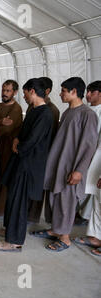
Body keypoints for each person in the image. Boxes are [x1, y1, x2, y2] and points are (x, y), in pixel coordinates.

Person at [30, 77, 98, 252]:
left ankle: (65, 237)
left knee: (66, 202)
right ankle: (55, 230)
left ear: (74, 92)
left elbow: (89, 146)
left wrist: (79, 171)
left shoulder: (87, 115)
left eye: (63, 91)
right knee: (54, 199)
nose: (60, 94)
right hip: (57, 164)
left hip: (71, 167)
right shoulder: (68, 112)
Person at [0, 78, 54, 252]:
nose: (24, 97)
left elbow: (33, 140)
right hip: (20, 161)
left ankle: (15, 240)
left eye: (25, 93)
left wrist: (17, 146)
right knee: (13, 198)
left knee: (19, 202)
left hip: (28, 165)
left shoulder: (45, 113)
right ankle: (9, 230)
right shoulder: (34, 110)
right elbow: (23, 132)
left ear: (32, 91)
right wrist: (17, 140)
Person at [27, 77, 60, 224]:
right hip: (30, 154)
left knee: (37, 188)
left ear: (46, 91)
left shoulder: (51, 111)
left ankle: (33, 217)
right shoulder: (33, 106)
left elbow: (44, 135)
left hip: (40, 154)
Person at [73, 80, 101, 254]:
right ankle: (95, 236)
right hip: (94, 162)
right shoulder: (90, 111)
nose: (88, 95)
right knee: (97, 201)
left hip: (98, 163)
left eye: (92, 91)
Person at [0, 80, 23, 218]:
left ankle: (1, 208)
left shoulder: (16, 109)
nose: (4, 93)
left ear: (15, 92)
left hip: (7, 150)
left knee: (4, 177)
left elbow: (5, 130)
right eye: (3, 90)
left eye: (8, 90)